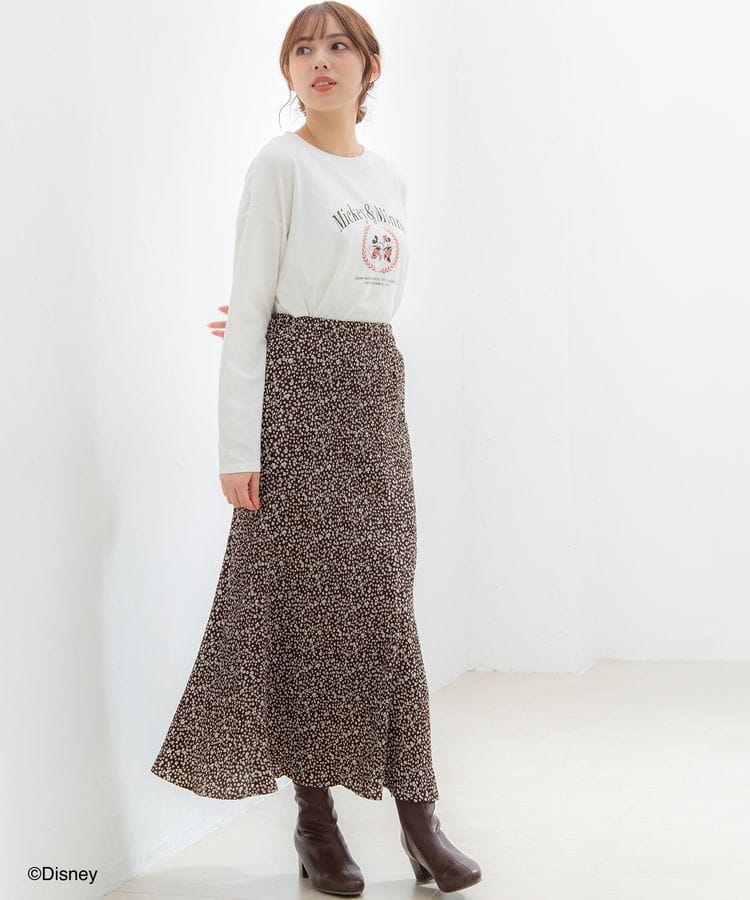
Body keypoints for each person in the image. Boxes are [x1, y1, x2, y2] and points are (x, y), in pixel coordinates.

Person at [150, 3, 482, 895]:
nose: (319, 60)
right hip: (295, 402)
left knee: (385, 604)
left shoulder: (390, 178)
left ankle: (419, 815)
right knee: (297, 608)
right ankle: (316, 820)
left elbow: (371, 293)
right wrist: (238, 446)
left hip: (373, 389)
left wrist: (320, 324)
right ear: (288, 72)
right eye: (303, 48)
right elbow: (251, 306)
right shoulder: (278, 164)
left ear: (371, 68)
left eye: (339, 46)